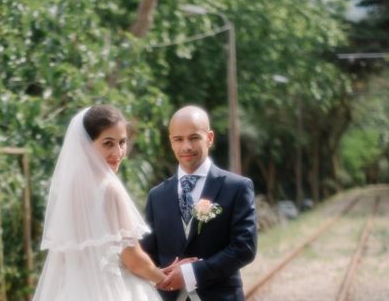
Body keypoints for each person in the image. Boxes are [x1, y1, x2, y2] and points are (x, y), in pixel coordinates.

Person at [33, 105, 179, 301]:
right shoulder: (109, 189)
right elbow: (132, 259)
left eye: (122, 142)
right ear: (87, 145)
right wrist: (163, 278)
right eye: (108, 143)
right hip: (113, 291)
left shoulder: (69, 188)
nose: (118, 152)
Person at [141, 106, 257, 301]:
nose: (186, 146)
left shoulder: (237, 187)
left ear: (209, 138)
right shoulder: (157, 196)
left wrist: (190, 274)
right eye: (178, 139)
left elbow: (244, 248)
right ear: (171, 142)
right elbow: (147, 252)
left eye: (194, 137)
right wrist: (158, 276)